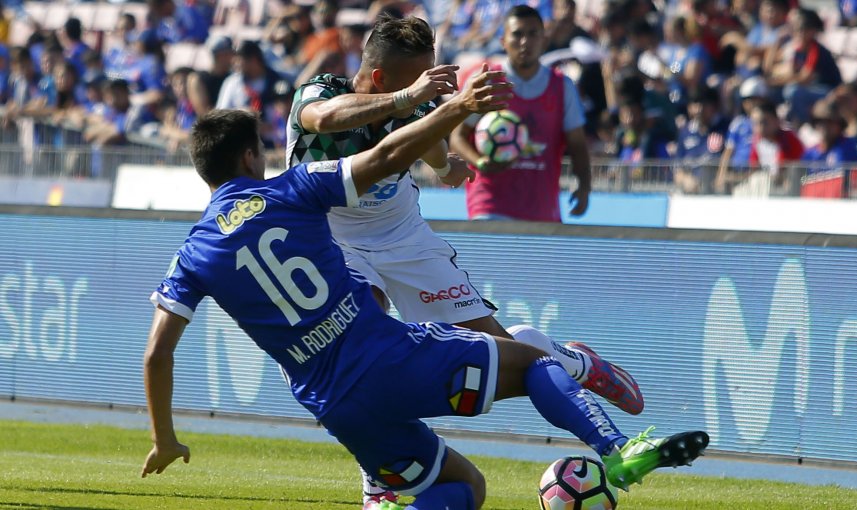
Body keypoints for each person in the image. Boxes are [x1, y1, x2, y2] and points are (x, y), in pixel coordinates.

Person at [140, 105, 708, 510]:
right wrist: (454, 107)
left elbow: (156, 356)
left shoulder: (192, 254)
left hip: (337, 406)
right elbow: (387, 153)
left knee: (459, 489)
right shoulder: (291, 189)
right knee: (533, 361)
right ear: (249, 155)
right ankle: (619, 448)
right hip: (389, 356)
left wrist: (165, 438)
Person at [286, 15, 643, 508]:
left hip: (403, 235)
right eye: (416, 81)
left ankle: (575, 363)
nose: (426, 89)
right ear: (385, 80)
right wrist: (411, 101)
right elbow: (328, 118)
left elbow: (427, 134)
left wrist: (444, 163)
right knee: (360, 348)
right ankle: (381, 478)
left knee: (500, 347)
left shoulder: (415, 98)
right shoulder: (317, 92)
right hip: (335, 238)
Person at [450, 5, 591, 222]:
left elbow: (578, 144)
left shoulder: (562, 86)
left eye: (533, 34)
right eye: (517, 34)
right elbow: (457, 136)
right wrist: (479, 162)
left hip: (541, 209)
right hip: (489, 204)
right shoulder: (486, 81)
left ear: (544, 40)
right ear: (503, 41)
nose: (525, 42)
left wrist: (584, 186)